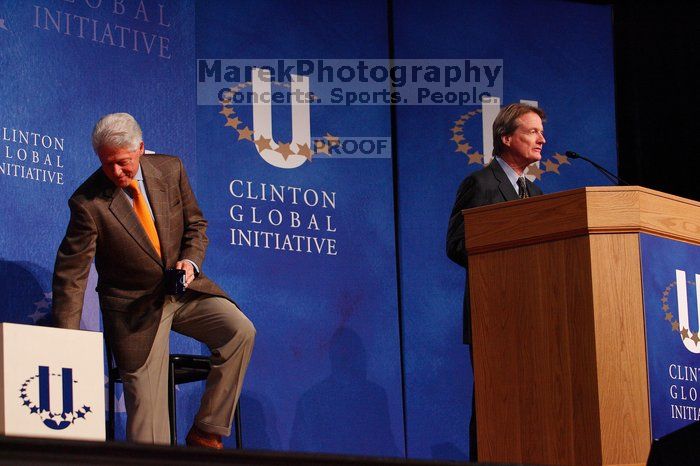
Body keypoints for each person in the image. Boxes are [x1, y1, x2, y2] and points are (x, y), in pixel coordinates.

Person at [52, 113, 255, 449]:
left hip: (183, 292)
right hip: (134, 311)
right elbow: (72, 275)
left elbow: (196, 226)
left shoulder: (170, 169)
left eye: (123, 163)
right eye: (107, 164)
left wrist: (190, 262)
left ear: (141, 149)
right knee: (149, 425)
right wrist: (65, 342)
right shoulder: (87, 204)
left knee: (239, 330)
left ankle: (207, 431)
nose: (116, 172)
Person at [445, 102, 546, 461]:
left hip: (532, 317)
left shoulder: (535, 195)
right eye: (532, 132)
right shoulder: (480, 184)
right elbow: (456, 244)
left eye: (541, 132)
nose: (542, 140)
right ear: (506, 137)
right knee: (493, 405)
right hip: (494, 314)